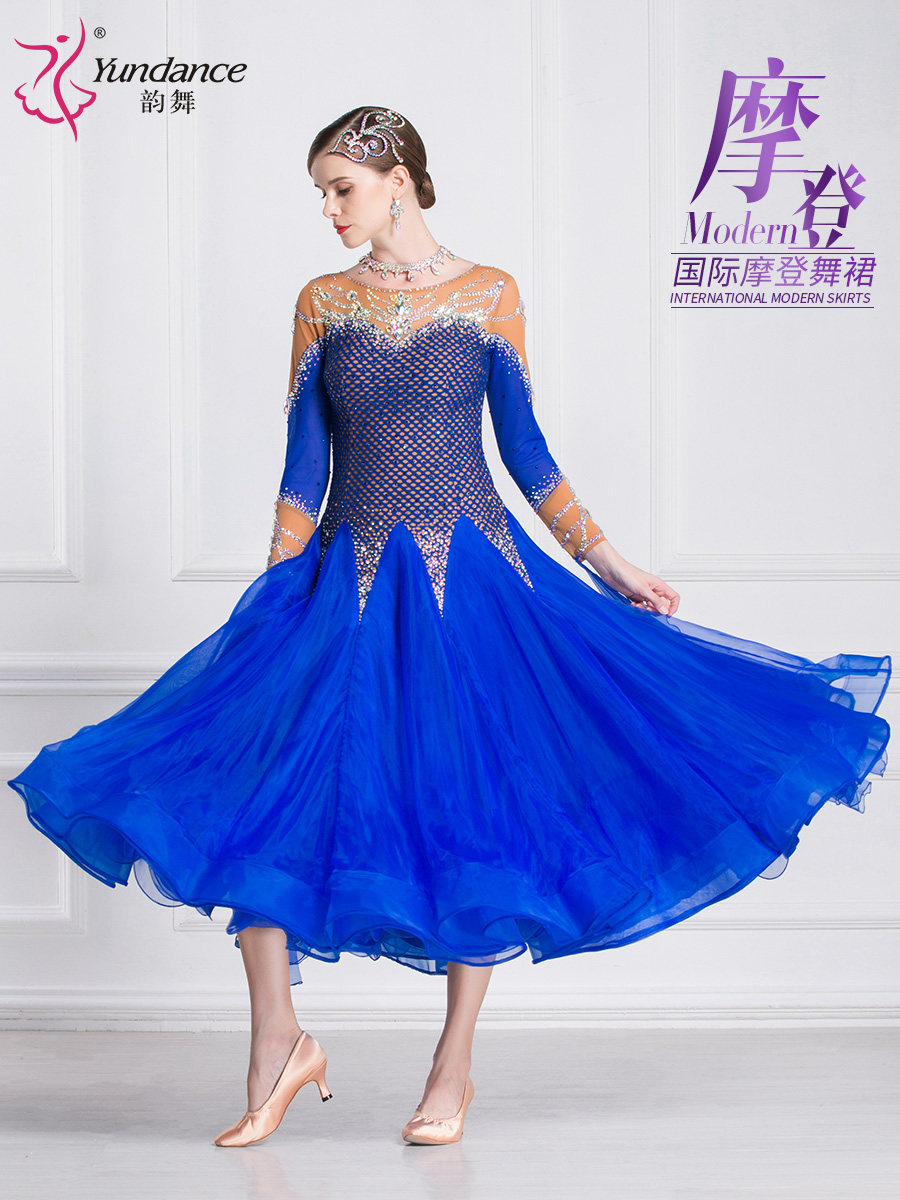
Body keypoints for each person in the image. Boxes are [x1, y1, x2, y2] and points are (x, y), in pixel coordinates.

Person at [8, 106, 892, 1149]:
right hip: (341, 582)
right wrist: (270, 597)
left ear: (400, 181)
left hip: (475, 583)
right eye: (321, 192)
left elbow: (527, 452)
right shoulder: (322, 302)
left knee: (478, 805)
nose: (329, 209)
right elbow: (302, 467)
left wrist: (609, 562)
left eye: (341, 187)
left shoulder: (489, 294)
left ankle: (453, 1065)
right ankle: (279, 1042)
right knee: (268, 789)